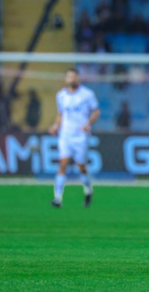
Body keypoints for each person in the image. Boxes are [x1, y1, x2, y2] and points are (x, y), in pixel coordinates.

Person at [48, 69, 100, 208]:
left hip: (80, 135)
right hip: (65, 135)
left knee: (81, 167)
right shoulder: (61, 95)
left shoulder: (87, 94)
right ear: (66, 79)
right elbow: (60, 114)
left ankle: (88, 190)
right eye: (69, 77)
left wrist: (88, 124)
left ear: (78, 78)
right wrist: (55, 126)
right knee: (62, 164)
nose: (72, 79)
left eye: (74, 77)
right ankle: (58, 198)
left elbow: (96, 112)